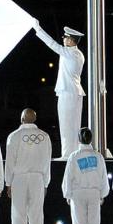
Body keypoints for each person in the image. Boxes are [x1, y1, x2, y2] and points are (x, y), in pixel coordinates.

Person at [32, 22, 85, 159]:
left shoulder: (71, 53)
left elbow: (51, 44)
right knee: (72, 125)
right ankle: (71, 153)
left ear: (71, 40)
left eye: (65, 37)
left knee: (67, 126)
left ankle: (67, 155)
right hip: (72, 92)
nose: (63, 39)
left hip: (69, 92)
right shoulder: (76, 53)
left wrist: (38, 29)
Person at [5, 108, 52, 224]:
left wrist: (8, 182)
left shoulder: (14, 136)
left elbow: (10, 162)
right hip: (37, 178)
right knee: (37, 212)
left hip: (19, 178)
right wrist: (45, 182)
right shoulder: (44, 136)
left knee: (18, 212)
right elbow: (47, 161)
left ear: (22, 119)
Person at [62, 127, 109, 224]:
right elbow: (103, 176)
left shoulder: (74, 156)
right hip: (94, 192)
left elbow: (68, 177)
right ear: (91, 139)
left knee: (79, 222)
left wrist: (68, 194)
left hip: (78, 193)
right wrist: (102, 193)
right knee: (94, 222)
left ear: (79, 139)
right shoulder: (98, 156)